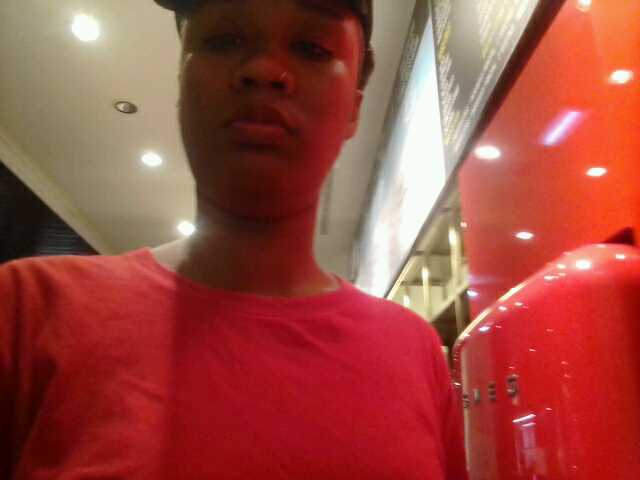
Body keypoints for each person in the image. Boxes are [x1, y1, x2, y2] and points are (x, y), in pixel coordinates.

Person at [0, 0, 468, 478]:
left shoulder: (415, 353)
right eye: (223, 40)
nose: (263, 70)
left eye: (311, 47)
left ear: (354, 109)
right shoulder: (28, 311)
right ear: (181, 82)